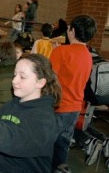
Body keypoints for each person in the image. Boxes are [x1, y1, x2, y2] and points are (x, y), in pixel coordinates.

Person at [50, 15, 97, 173]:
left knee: (46, 146)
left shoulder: (61, 51)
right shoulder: (88, 55)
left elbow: (50, 80)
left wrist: (55, 52)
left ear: (72, 31)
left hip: (58, 107)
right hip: (75, 108)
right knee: (62, 145)